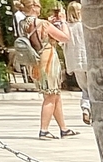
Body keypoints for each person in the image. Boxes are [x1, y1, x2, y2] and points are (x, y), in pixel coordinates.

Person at [28, 9, 71, 137]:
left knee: (55, 94)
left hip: (35, 60)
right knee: (51, 95)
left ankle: (63, 128)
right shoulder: (43, 23)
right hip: (48, 59)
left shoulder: (23, 23)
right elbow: (65, 37)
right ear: (34, 7)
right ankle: (44, 129)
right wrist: (63, 22)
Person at [62, 1, 90, 123]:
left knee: (84, 88)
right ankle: (89, 108)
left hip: (75, 63)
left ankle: (85, 109)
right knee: (93, 89)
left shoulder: (67, 27)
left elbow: (63, 44)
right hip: (88, 61)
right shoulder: (86, 26)